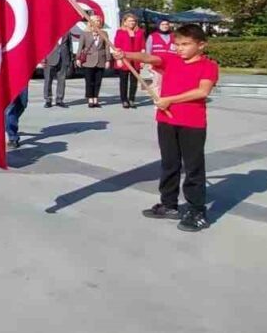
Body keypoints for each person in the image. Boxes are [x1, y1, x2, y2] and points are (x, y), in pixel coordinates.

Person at [112, 23, 219, 232]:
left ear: (201, 45)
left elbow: (202, 91)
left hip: (192, 123)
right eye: (177, 44)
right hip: (167, 121)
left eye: (186, 44)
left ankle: (196, 210)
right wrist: (124, 53)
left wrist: (170, 99)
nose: (180, 48)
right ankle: (169, 204)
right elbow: (148, 58)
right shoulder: (172, 60)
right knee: (169, 164)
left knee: (193, 167)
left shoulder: (209, 66)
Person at [76, 15, 111, 108]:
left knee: (98, 81)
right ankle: (90, 99)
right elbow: (80, 47)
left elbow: (107, 48)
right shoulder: (85, 34)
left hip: (100, 59)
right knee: (89, 81)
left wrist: (108, 60)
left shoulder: (104, 33)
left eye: (99, 21)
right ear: (90, 23)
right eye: (95, 21)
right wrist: (78, 58)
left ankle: (96, 98)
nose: (97, 23)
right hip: (88, 60)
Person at [113, 13, 146, 109]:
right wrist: (118, 59)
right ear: (125, 22)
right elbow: (117, 46)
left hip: (136, 59)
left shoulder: (140, 32)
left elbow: (143, 46)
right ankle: (124, 100)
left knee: (134, 81)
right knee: (123, 81)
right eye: (130, 21)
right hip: (124, 59)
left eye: (134, 21)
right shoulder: (120, 32)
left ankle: (132, 99)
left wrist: (142, 59)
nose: (132, 23)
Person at [43, 35, 72, 109]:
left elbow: (70, 47)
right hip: (50, 58)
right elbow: (43, 45)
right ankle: (48, 100)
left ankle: (59, 99)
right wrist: (43, 58)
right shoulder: (50, 31)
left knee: (62, 80)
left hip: (63, 59)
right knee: (48, 80)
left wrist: (70, 60)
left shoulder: (67, 32)